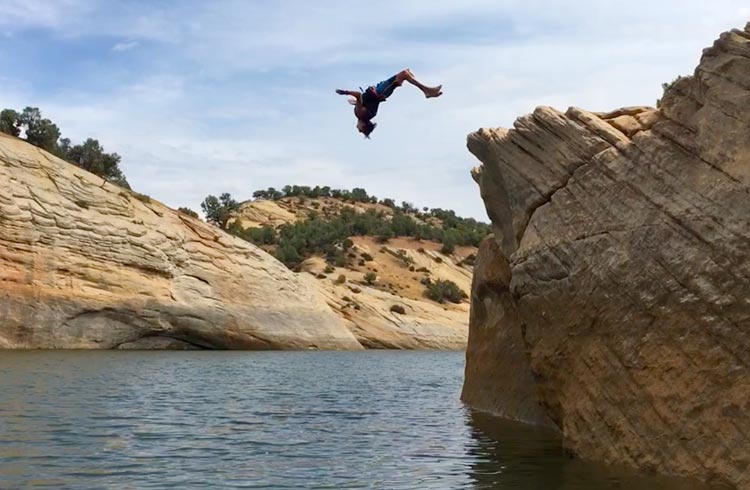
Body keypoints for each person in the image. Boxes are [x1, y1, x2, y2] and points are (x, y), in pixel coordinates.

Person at [336, 69, 442, 138]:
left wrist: (358, 101)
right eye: (360, 131)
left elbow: (366, 101)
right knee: (405, 74)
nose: (358, 129)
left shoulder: (366, 115)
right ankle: (427, 91)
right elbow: (359, 95)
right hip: (381, 90)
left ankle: (427, 90)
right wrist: (345, 92)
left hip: (382, 91)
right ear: (363, 126)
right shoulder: (360, 114)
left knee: (407, 72)